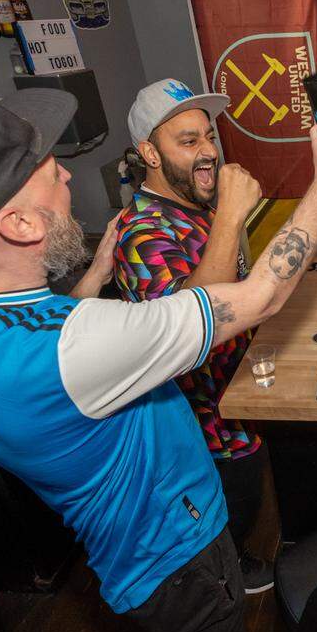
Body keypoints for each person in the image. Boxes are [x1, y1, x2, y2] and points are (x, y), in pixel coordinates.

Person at [0, 88, 317, 632]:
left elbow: (37, 342)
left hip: (121, 552)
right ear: (19, 224)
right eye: (52, 173)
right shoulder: (75, 349)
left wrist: (91, 279)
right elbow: (262, 296)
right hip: (178, 555)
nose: (69, 176)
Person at [113, 79, 272, 593]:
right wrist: (231, 216)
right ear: (149, 154)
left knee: (252, 496)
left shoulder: (193, 208)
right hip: (206, 437)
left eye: (209, 137)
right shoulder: (142, 234)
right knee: (225, 524)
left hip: (238, 406)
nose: (208, 152)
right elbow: (193, 323)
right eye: (188, 141)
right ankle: (227, 576)